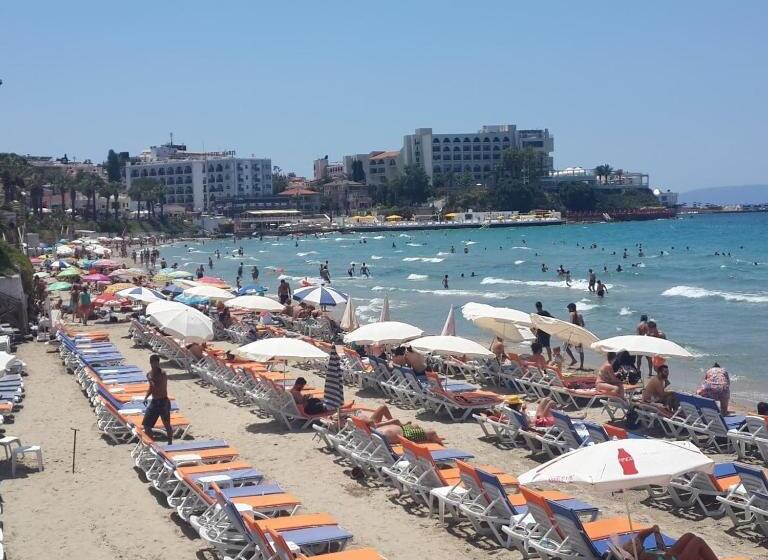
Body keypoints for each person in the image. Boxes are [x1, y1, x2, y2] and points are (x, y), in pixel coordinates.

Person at [621, 525, 721, 560]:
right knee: (697, 542)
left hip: (669, 556)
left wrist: (652, 529)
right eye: (631, 545)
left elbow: (640, 536)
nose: (633, 542)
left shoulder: (636, 549)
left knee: (689, 535)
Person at [142, 354, 173, 445]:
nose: (156, 365)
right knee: (146, 425)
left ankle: (170, 443)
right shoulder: (149, 374)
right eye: (154, 363)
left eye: (157, 363)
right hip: (154, 401)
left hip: (163, 402)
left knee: (167, 425)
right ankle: (152, 443)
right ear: (151, 363)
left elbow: (157, 386)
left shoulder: (162, 374)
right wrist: (146, 397)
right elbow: (151, 387)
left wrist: (151, 380)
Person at [564, 303, 585, 370]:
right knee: (580, 350)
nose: (568, 310)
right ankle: (581, 365)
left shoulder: (571, 314)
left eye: (569, 309)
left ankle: (573, 359)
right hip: (579, 334)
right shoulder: (580, 315)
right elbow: (583, 325)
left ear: (571, 308)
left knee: (565, 346)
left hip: (573, 334)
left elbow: (571, 325)